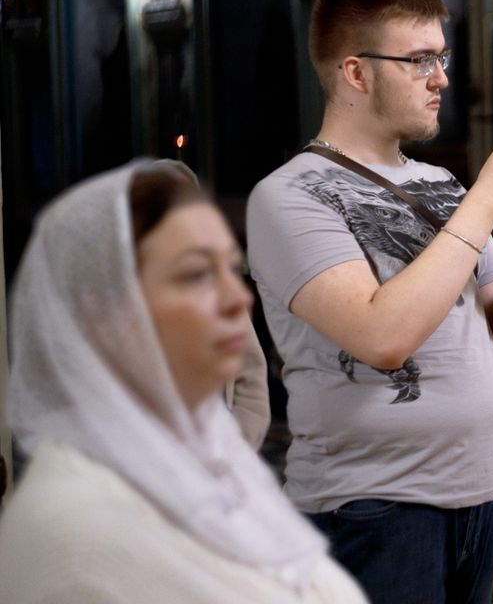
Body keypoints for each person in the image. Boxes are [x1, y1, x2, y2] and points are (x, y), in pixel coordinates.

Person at [246, 0, 493, 604]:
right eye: (419, 59)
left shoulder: (442, 185)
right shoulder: (287, 195)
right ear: (356, 72)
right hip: (370, 508)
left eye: (441, 58)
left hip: (478, 495)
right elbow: (382, 337)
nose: (441, 78)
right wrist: (487, 201)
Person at [0, 161, 365, 602]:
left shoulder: (218, 465)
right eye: (195, 274)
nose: (239, 298)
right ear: (103, 313)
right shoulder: (77, 539)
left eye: (231, 267)